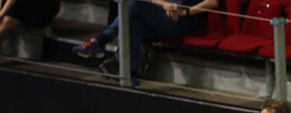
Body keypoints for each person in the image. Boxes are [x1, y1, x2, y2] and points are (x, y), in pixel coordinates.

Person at [72, 0, 218, 78]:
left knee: (135, 5)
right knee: (132, 22)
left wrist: (185, 12)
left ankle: (100, 41)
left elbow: (213, 2)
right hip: (164, 14)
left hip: (185, 19)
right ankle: (133, 72)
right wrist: (166, 5)